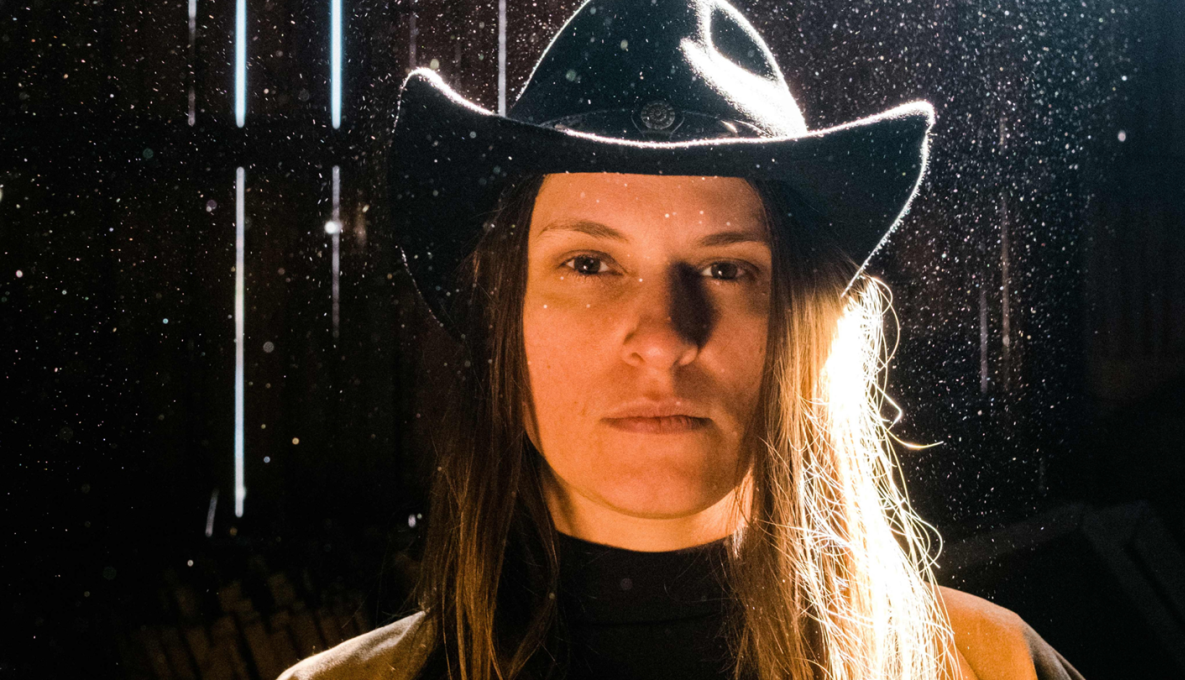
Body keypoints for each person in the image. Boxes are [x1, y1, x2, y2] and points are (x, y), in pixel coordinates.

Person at [281, 0, 1086, 678]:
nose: (663, 339)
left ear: (804, 322)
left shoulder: (989, 666)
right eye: (589, 264)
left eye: (727, 269)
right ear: (501, 319)